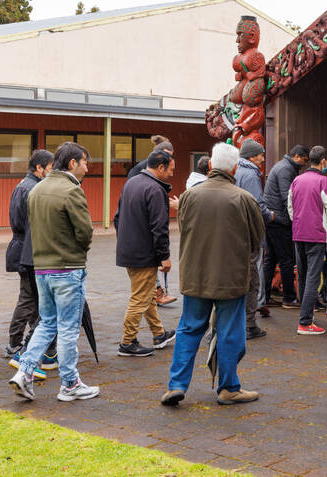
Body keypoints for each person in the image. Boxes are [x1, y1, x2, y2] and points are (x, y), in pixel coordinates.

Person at [160, 142, 264, 407]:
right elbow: (256, 240)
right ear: (234, 167)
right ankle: (228, 387)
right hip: (231, 278)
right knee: (230, 333)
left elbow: (185, 230)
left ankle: (176, 385)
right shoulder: (244, 198)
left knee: (189, 329)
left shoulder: (189, 196)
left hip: (195, 276)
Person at [9, 142, 99, 403]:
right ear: (72, 163)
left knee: (47, 323)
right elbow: (84, 232)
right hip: (67, 268)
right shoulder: (72, 190)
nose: (86, 166)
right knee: (68, 328)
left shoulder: (38, 188)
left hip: (41, 268)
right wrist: (79, 251)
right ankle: (69, 384)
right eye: (84, 161)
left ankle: (24, 371)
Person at [115, 150, 178, 357]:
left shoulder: (131, 183)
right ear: (160, 167)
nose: (171, 174)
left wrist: (125, 240)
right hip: (144, 254)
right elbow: (159, 227)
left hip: (128, 251)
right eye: (170, 170)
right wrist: (164, 256)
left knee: (147, 294)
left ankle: (159, 333)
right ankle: (127, 342)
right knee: (139, 298)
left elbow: (117, 217)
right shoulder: (155, 189)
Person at [5, 149, 57, 370]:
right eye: (51, 168)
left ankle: (21, 342)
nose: (52, 172)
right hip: (29, 249)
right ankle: (18, 344)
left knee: (30, 298)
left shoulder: (22, 186)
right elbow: (26, 223)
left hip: (22, 247)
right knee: (30, 298)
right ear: (39, 168)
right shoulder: (33, 189)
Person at [288, 146, 327, 335]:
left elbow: (290, 206)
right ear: (323, 160)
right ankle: (305, 321)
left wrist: (298, 223)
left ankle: (306, 315)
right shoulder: (325, 182)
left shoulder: (297, 180)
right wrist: (326, 230)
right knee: (313, 278)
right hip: (316, 234)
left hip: (298, 232)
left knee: (303, 275)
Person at [234, 139, 273, 339]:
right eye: (260, 155)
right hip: (250, 233)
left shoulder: (236, 171)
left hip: (238, 233)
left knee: (241, 278)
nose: (263, 159)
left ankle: (239, 322)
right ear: (251, 156)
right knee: (252, 279)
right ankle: (249, 324)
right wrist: (269, 215)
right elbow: (257, 204)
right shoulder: (250, 174)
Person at [262, 145, 309, 309]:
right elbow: (287, 196)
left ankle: (265, 296)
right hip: (280, 220)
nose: (305, 163)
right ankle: (289, 298)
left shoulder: (282, 166)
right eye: (304, 159)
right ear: (297, 156)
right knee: (286, 259)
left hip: (272, 218)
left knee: (270, 259)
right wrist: (297, 217)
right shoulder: (286, 169)